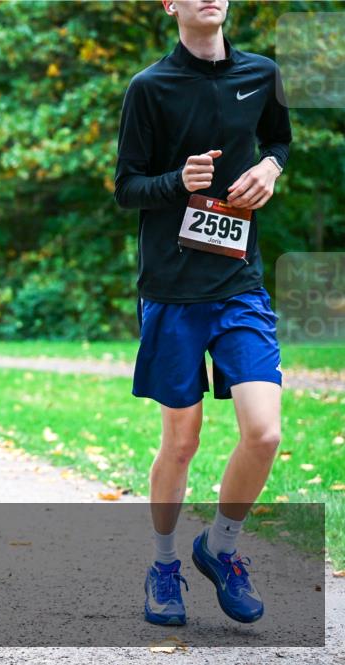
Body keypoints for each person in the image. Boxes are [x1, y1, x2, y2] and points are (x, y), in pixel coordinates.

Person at [115, 0, 290, 627]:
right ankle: (163, 566)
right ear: (172, 5)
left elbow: (279, 138)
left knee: (264, 431)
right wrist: (175, 183)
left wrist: (270, 167)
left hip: (238, 284)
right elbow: (126, 186)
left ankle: (219, 550)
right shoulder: (150, 87)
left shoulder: (262, 73)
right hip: (172, 290)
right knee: (181, 440)